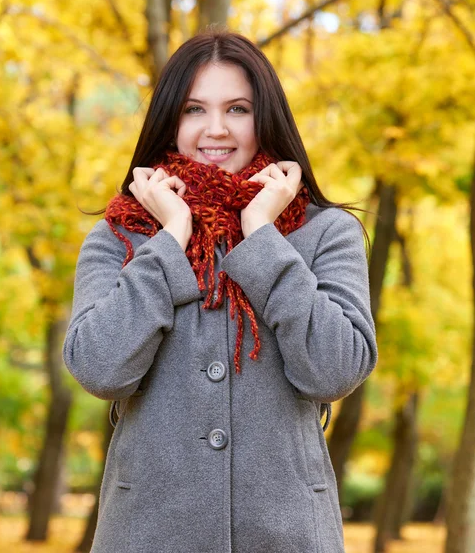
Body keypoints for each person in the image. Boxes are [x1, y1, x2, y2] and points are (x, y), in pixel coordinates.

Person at [63, 29, 378, 553]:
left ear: (265, 118)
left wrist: (262, 236)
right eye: (193, 109)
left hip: (289, 534)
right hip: (147, 534)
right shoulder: (121, 235)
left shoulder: (326, 232)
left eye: (237, 109)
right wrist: (169, 240)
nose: (215, 129)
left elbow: (336, 370)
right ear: (170, 120)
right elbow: (99, 369)